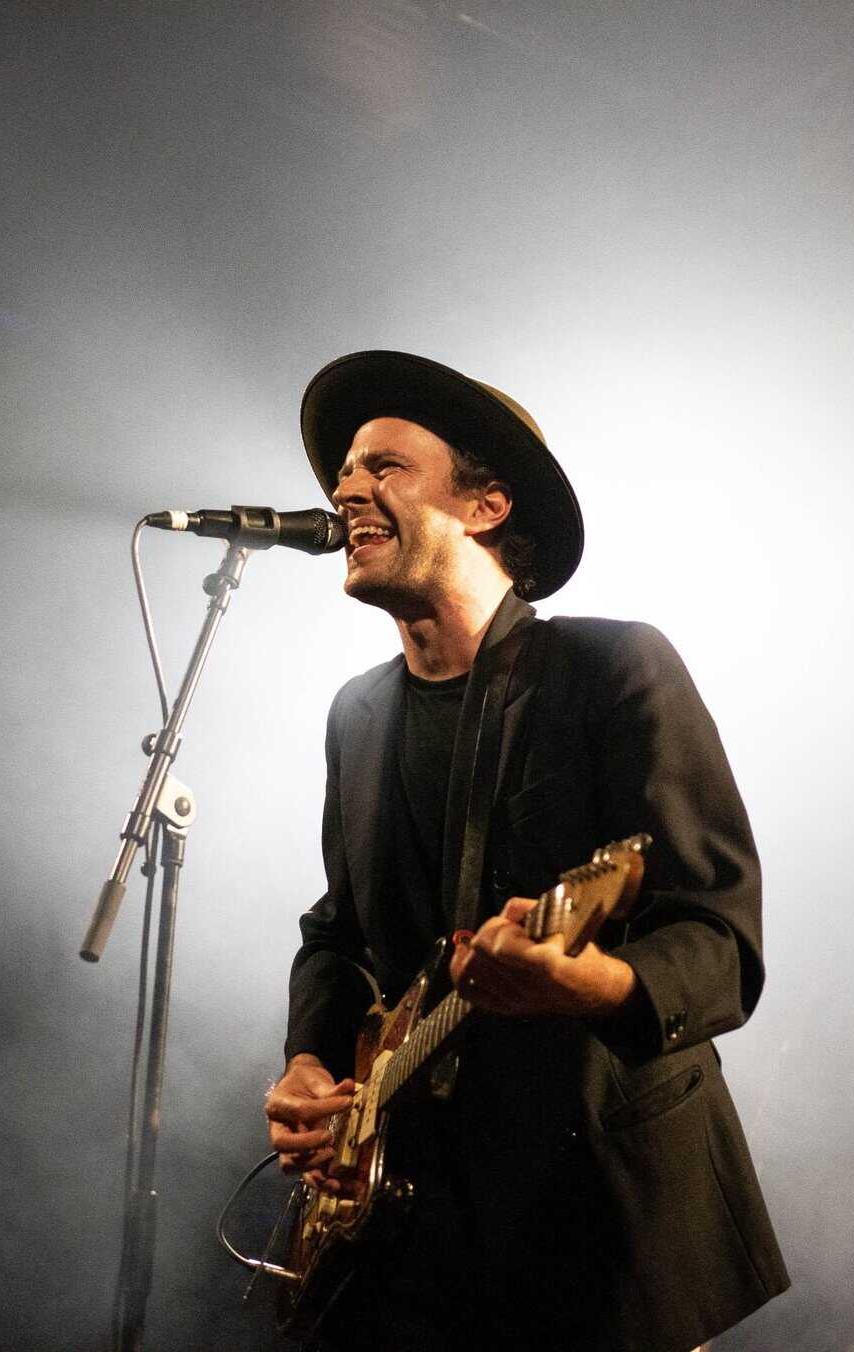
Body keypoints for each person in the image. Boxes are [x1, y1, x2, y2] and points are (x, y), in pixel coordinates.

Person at [262, 351, 788, 1351]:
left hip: (594, 1223)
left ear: (486, 505)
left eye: (384, 466)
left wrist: (591, 983)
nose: (344, 490)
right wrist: (307, 1063)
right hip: (416, 1232)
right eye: (343, 472)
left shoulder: (611, 667)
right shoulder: (356, 715)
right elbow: (337, 933)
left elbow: (717, 936)